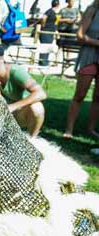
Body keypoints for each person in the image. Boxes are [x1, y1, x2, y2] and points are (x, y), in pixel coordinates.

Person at [0, 44, 47, 136]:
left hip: (21, 113)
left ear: (1, 59)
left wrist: (13, 107)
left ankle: (32, 139)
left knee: (37, 107)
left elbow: (41, 93)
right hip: (1, 115)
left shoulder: (16, 71)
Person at [64, 0, 99, 139]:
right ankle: (69, 129)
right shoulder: (92, 10)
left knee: (98, 97)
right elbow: (79, 35)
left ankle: (91, 129)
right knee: (79, 95)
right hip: (89, 57)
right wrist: (96, 42)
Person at [39, 0, 60, 66]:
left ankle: (44, 61)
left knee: (47, 47)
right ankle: (43, 62)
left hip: (50, 31)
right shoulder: (50, 11)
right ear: (58, 5)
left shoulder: (53, 12)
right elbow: (44, 18)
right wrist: (43, 26)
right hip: (46, 31)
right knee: (45, 47)